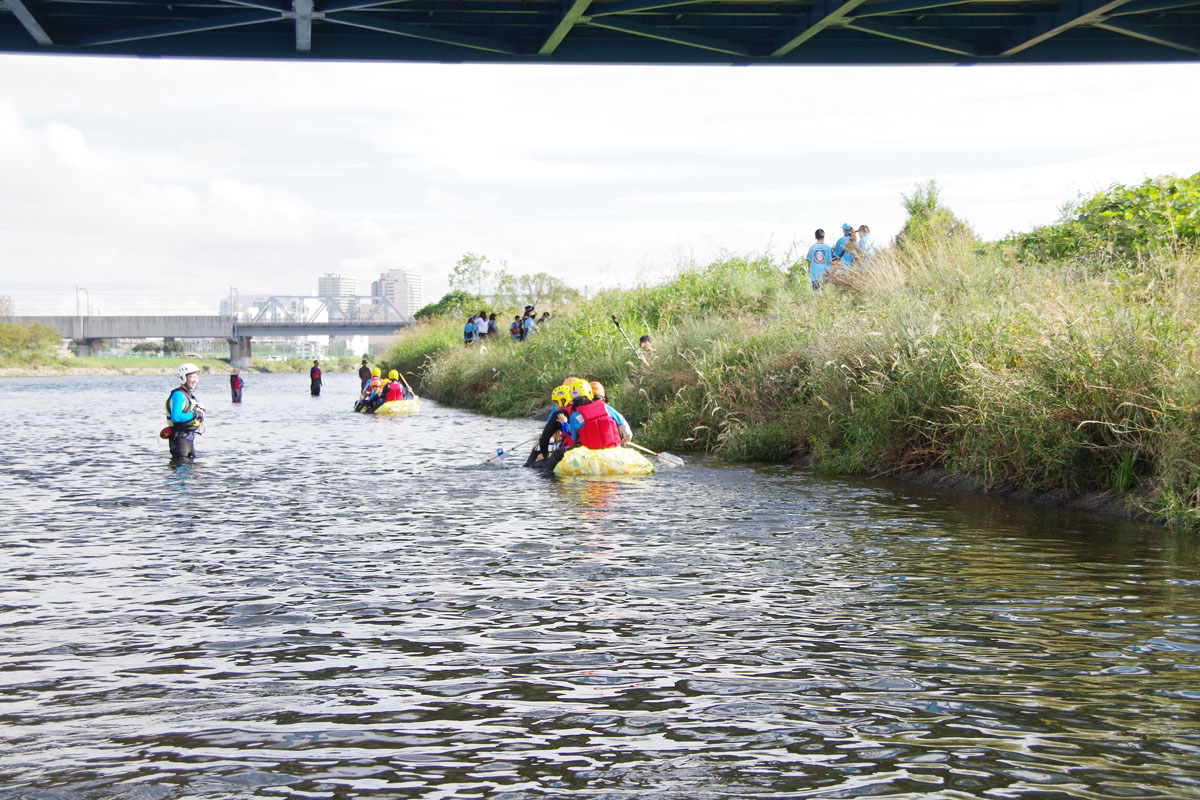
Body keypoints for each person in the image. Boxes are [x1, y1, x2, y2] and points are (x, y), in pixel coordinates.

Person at [566, 378, 627, 451]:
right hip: (613, 450)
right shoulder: (605, 407)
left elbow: (574, 438)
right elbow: (622, 422)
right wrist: (627, 437)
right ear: (589, 393)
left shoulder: (574, 417)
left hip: (591, 455)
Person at [165, 362, 205, 460]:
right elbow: (176, 417)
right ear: (183, 378)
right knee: (182, 468)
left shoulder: (190, 396)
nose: (195, 380)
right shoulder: (178, 395)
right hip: (179, 439)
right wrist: (195, 414)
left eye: (196, 377)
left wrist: (201, 422)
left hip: (189, 438)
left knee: (192, 470)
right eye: (192, 377)